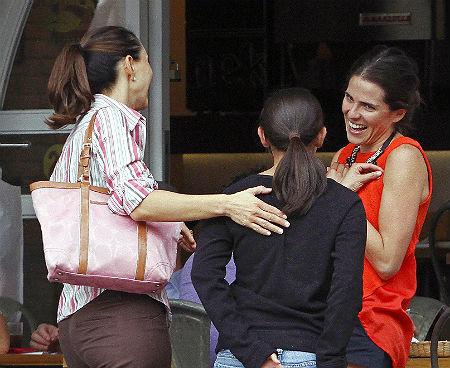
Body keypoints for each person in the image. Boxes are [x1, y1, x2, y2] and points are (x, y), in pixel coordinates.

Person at [46, 26, 289, 368]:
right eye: (148, 61)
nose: (153, 73)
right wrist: (227, 203)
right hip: (121, 319)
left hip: (78, 317)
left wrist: (171, 222)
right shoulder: (113, 117)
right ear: (129, 65)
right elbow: (137, 200)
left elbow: (121, 201)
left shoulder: (85, 125)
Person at [192, 88, 367, 368]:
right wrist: (331, 360)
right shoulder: (345, 204)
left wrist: (252, 352)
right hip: (311, 355)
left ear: (262, 136)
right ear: (321, 135)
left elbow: (204, 275)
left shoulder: (234, 198)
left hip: (240, 358)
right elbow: (346, 291)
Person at [327, 46, 432, 368]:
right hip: (326, 311)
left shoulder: (403, 157)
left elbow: (387, 261)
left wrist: (340, 196)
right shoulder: (345, 154)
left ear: (397, 113)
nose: (352, 113)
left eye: (368, 106)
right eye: (349, 98)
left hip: (369, 320)